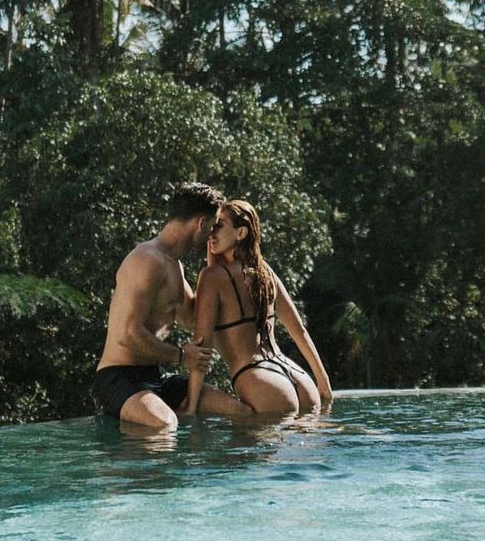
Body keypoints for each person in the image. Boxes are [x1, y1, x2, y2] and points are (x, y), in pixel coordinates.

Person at [92, 182, 251, 429]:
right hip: (118, 377)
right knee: (165, 426)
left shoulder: (174, 265)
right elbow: (128, 335)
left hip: (156, 377)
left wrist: (218, 269)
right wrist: (180, 356)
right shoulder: (147, 260)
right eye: (213, 225)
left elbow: (191, 317)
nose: (213, 234)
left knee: (240, 412)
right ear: (200, 223)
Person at [185, 199, 333, 416]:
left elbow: (203, 344)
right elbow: (298, 330)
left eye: (219, 226)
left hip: (259, 379)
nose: (211, 233)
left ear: (241, 233)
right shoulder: (266, 273)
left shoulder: (211, 277)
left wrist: (191, 407)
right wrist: (323, 382)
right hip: (298, 378)